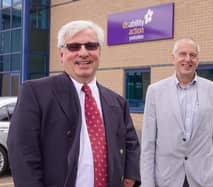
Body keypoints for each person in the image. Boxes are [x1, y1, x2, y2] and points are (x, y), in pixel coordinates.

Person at [8, 20, 141, 187]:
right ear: (61, 54)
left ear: (99, 51)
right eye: (74, 47)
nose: (83, 53)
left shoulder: (117, 102)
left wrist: (131, 173)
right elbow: (22, 153)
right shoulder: (35, 93)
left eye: (91, 46)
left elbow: (131, 143)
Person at [140, 38, 213, 187]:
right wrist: (148, 183)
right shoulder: (155, 91)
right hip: (167, 178)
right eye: (182, 54)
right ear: (173, 59)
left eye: (192, 55)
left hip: (203, 178)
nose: (188, 59)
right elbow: (148, 142)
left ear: (197, 60)